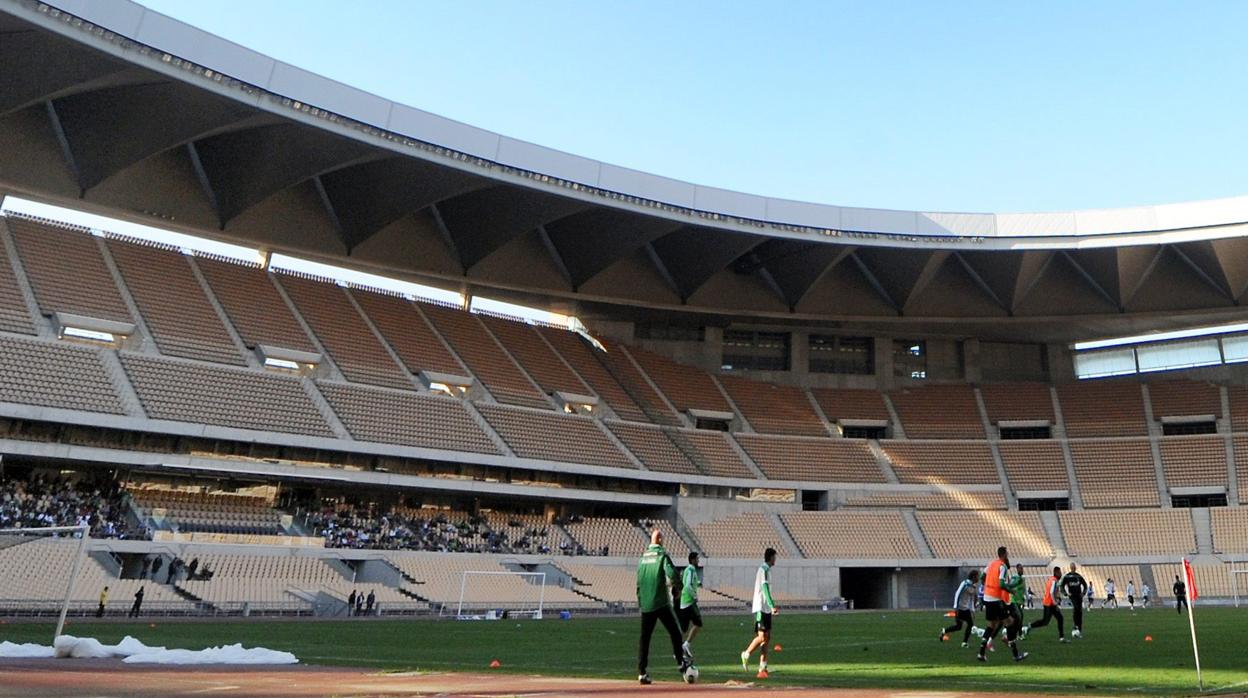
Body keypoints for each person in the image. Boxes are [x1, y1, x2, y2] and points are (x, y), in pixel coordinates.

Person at [635, 529, 690, 685]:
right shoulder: (661, 556)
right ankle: (681, 663)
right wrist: (677, 588)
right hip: (660, 602)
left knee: (644, 638)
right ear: (659, 540)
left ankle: (642, 672)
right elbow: (672, 573)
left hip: (646, 604)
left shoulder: (642, 558)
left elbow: (638, 581)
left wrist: (641, 601)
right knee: (675, 632)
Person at [976, 546, 1026, 663]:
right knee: (1009, 623)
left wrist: (988, 586)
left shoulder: (991, 564)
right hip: (995, 599)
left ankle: (981, 653)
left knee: (991, 626)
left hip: (987, 598)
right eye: (1007, 554)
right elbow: (1002, 584)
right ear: (1004, 555)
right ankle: (1015, 654)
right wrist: (1010, 590)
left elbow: (982, 577)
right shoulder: (1002, 566)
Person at [741, 548, 779, 678]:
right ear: (770, 557)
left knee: (767, 638)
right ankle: (746, 654)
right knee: (762, 637)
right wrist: (772, 605)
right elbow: (765, 588)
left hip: (765, 609)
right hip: (761, 608)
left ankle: (763, 667)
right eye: (775, 557)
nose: (776, 559)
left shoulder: (767, 570)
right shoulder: (763, 570)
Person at [1022, 566, 1067, 643]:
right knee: (1045, 621)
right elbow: (1051, 592)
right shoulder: (1053, 581)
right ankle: (1028, 627)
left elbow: (1052, 592)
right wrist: (1055, 603)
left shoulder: (1052, 580)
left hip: (1050, 603)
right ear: (1056, 573)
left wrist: (1057, 598)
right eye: (1059, 572)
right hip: (1049, 604)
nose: (1061, 574)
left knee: (1058, 619)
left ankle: (1061, 637)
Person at [941, 569, 980, 648]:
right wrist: (956, 607)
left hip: (965, 609)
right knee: (970, 624)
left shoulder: (973, 586)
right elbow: (957, 594)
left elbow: (971, 599)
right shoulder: (965, 583)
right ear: (973, 577)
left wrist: (972, 610)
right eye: (977, 576)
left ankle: (944, 631)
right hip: (960, 608)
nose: (978, 578)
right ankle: (964, 643)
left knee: (959, 626)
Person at [677, 552, 703, 658]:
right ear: (692, 560)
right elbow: (687, 585)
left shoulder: (688, 570)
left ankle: (679, 648)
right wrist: (694, 596)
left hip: (685, 602)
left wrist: (697, 583)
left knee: (684, 628)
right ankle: (686, 645)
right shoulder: (691, 570)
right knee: (698, 623)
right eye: (697, 559)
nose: (698, 561)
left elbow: (689, 582)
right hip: (689, 601)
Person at [1060, 563, 1088, 638]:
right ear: (1070, 568)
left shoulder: (1078, 576)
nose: (1073, 568)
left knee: (1079, 611)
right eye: (1072, 567)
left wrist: (1083, 593)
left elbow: (1085, 585)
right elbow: (1061, 586)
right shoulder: (1067, 576)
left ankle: (1079, 629)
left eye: (1074, 567)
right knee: (1076, 609)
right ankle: (1075, 626)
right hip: (1072, 596)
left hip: (1079, 596)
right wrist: (1066, 594)